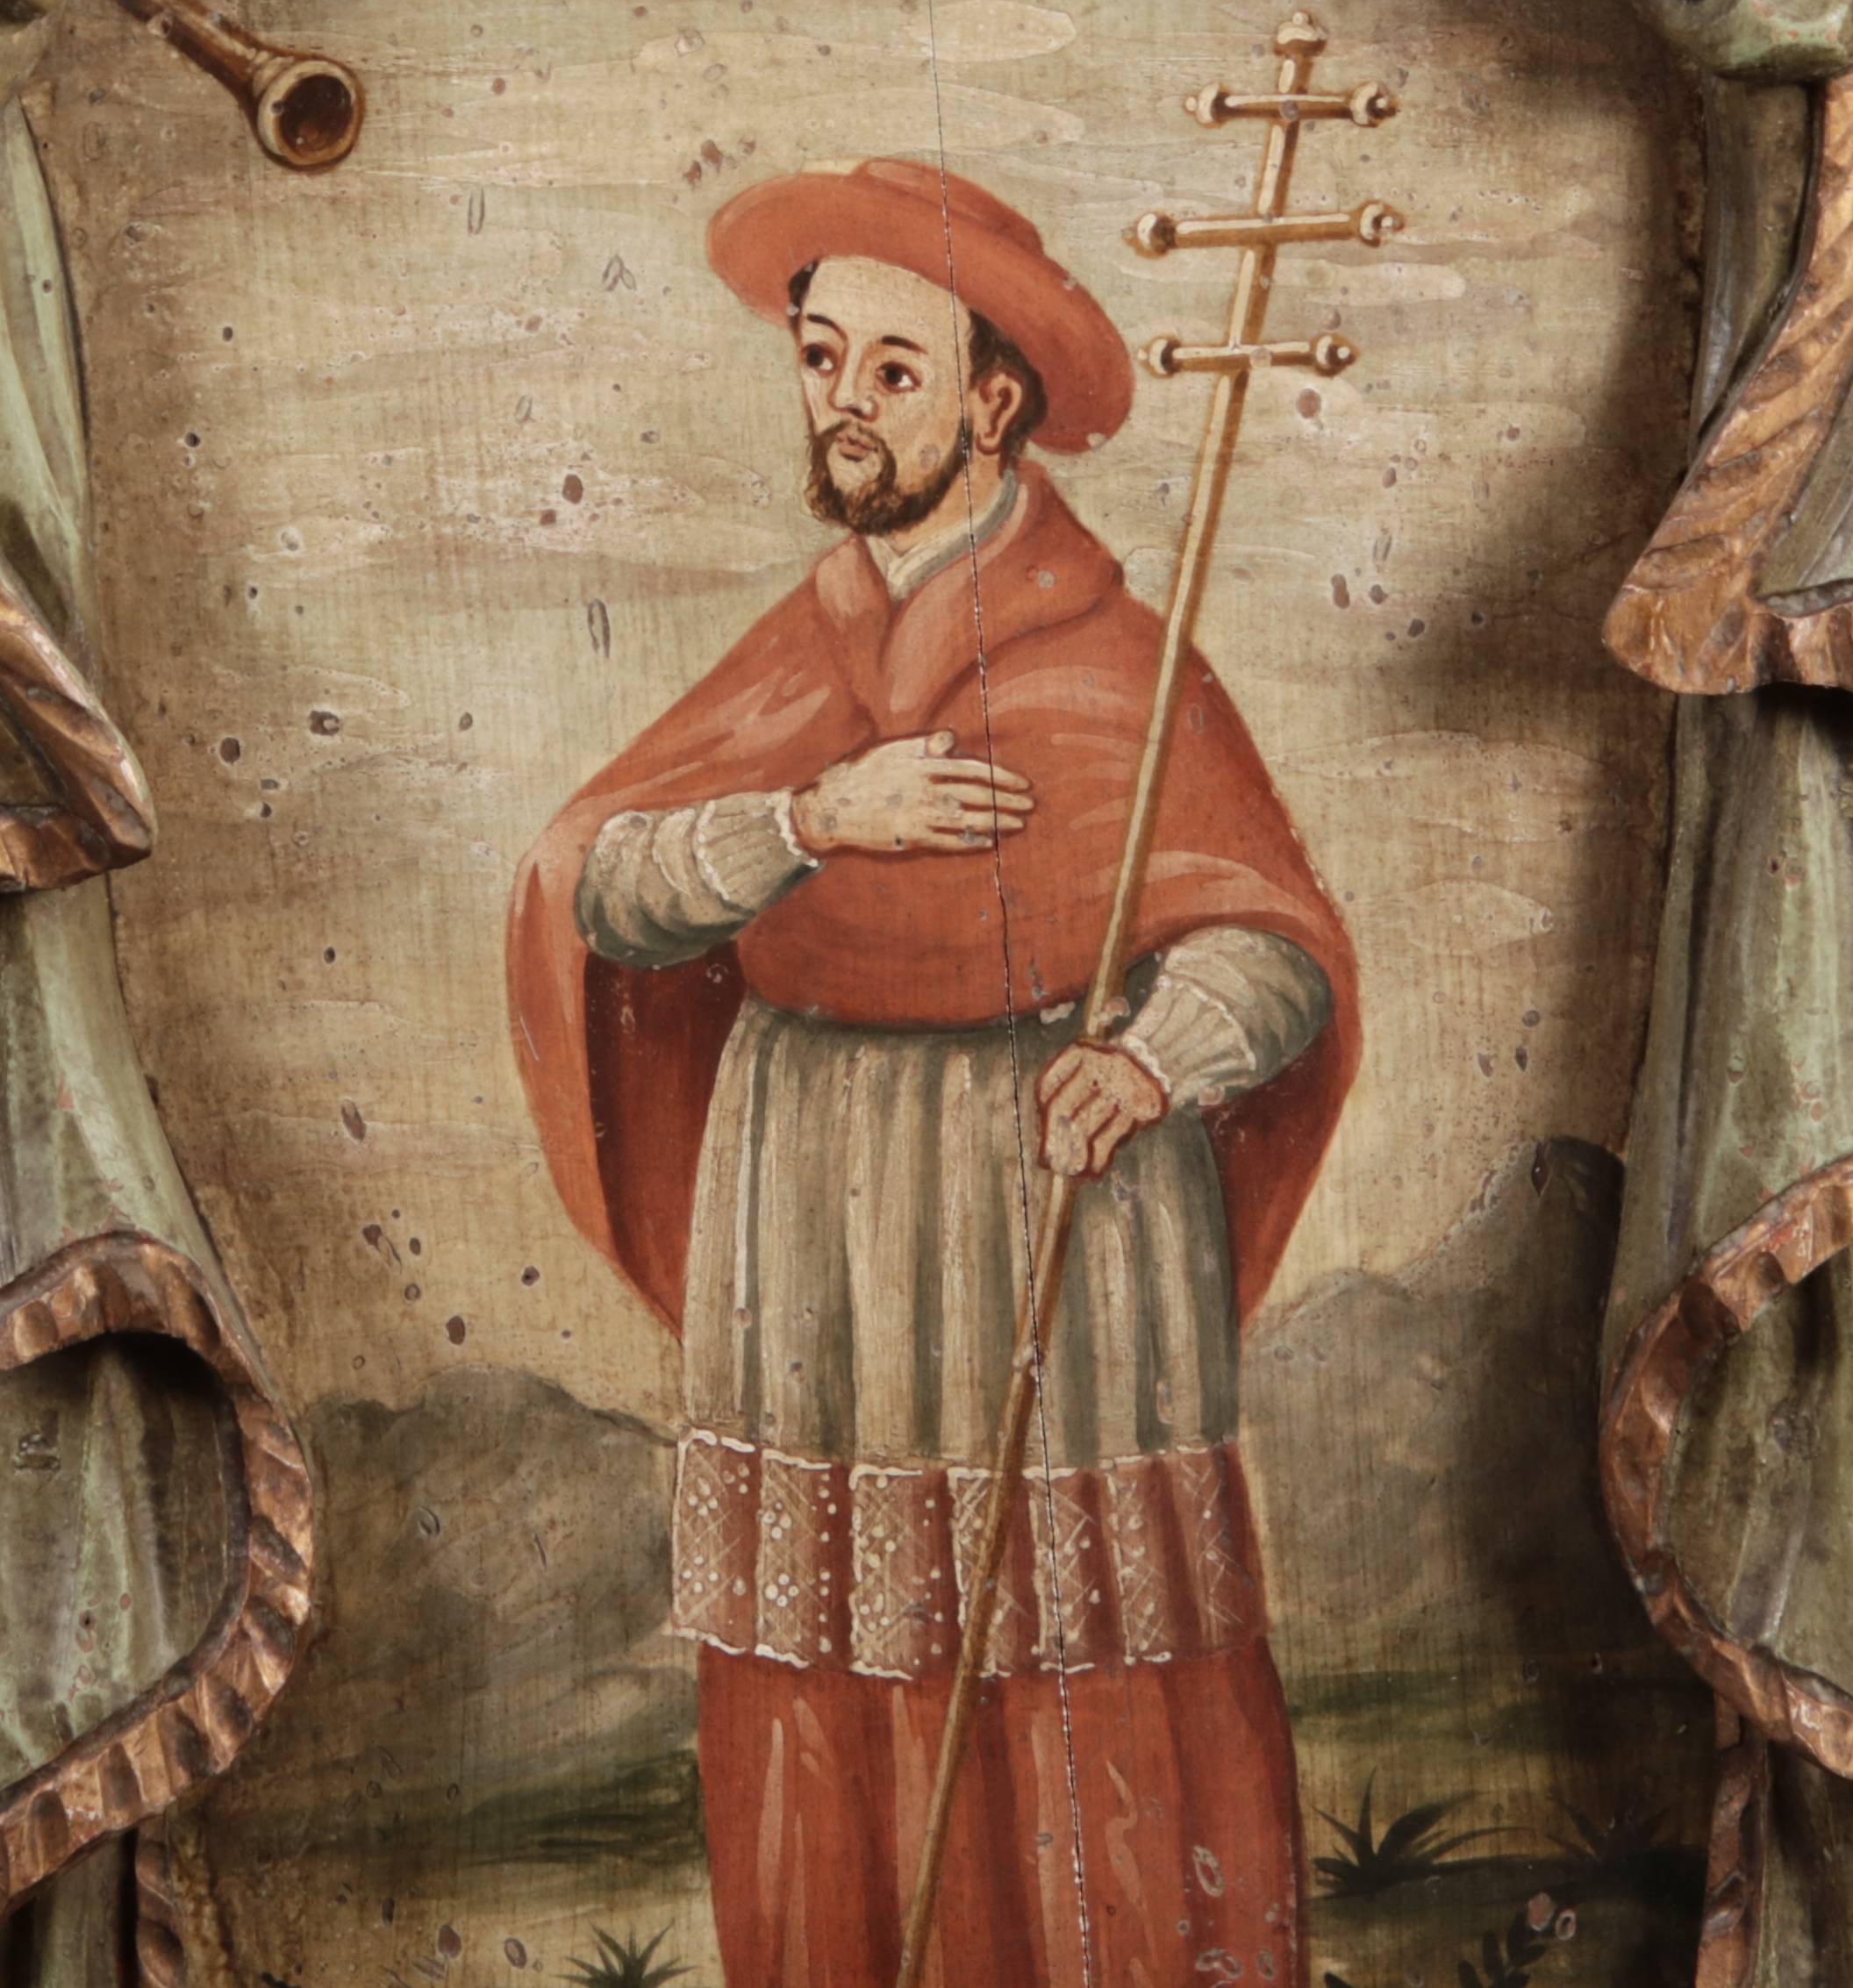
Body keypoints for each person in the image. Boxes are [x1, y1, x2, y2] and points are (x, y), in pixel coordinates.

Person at [507, 159, 1360, 1988]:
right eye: (822, 357)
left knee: (1080, 1678)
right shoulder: (797, 652)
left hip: (1052, 1213)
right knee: (825, 1679)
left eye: (894, 369)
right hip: (811, 1226)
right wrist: (814, 816)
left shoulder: (1112, 657)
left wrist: (1152, 1058)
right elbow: (605, 884)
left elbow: (1271, 942)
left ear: (992, 403)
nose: (844, 400)